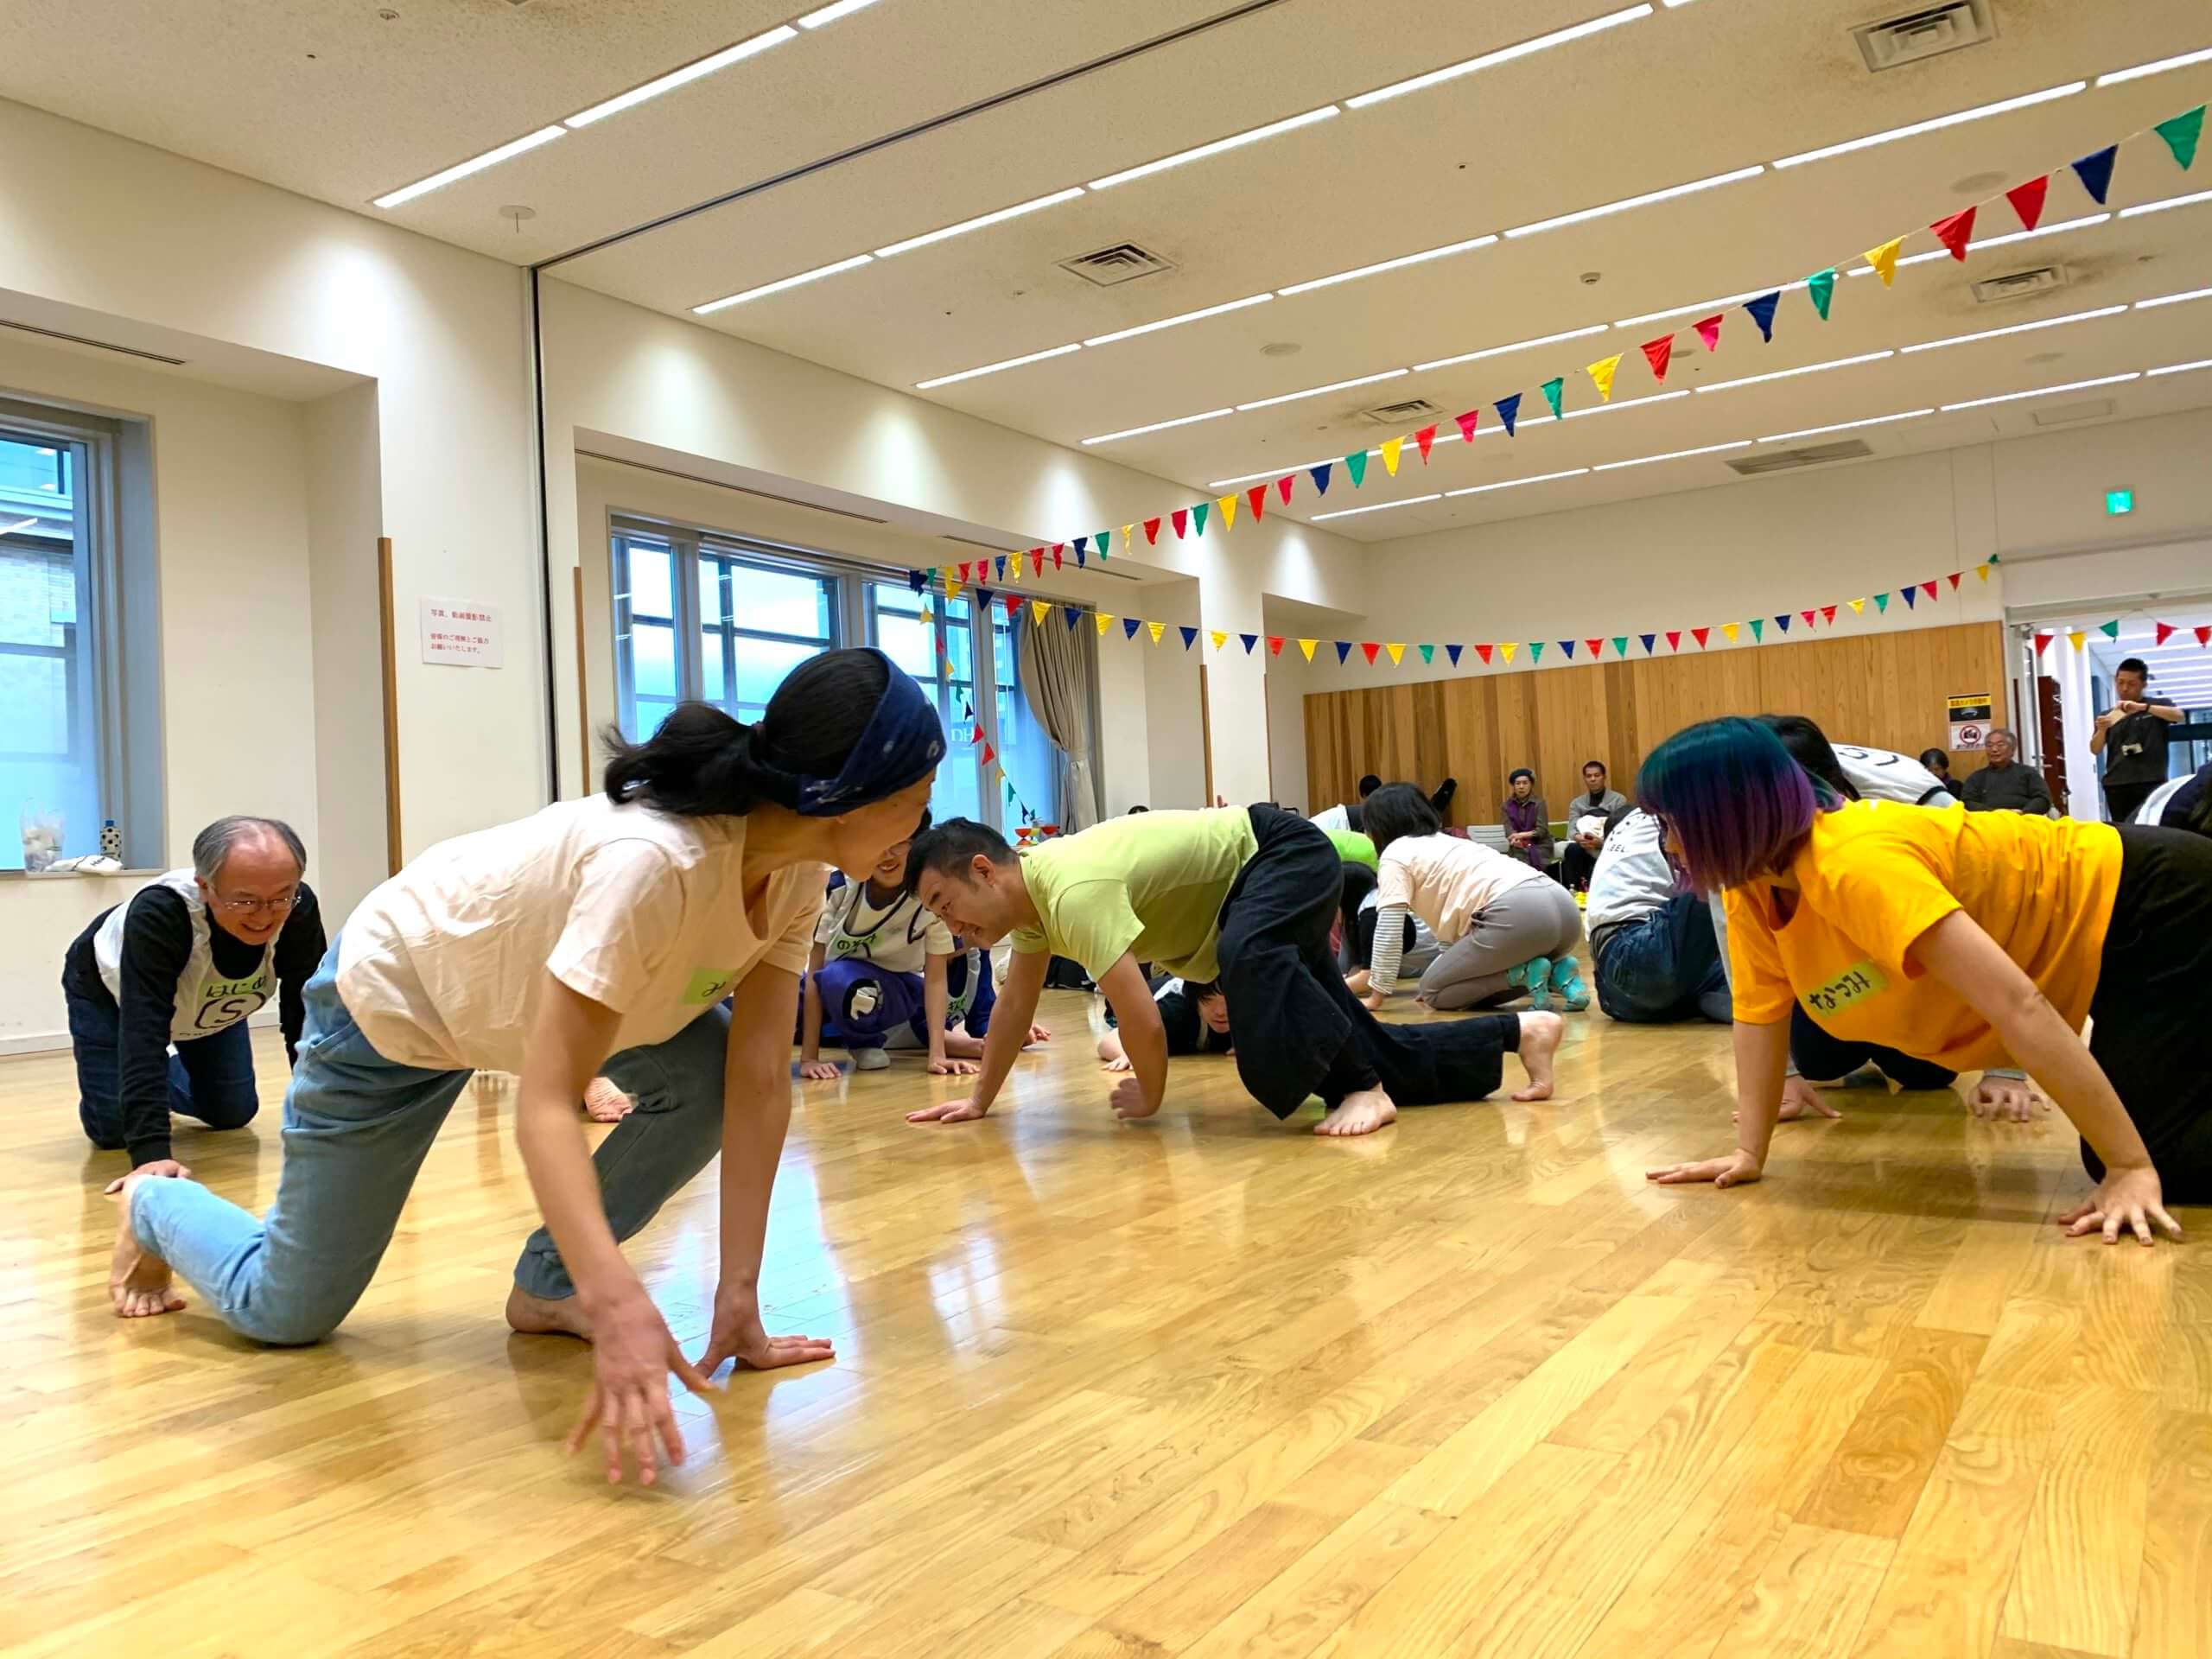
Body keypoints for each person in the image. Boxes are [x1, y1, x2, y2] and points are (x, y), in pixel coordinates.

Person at [107, 648, 942, 1485]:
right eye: (915, 798)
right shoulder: (656, 864)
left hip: (523, 1007)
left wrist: (738, 1297)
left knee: (710, 1073)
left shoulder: (797, 874)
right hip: (397, 1002)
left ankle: (549, 1287)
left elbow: (756, 1082)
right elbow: (545, 1104)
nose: (924, 821)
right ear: (848, 796)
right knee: (284, 1311)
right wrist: (616, 1298)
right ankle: (156, 1205)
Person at [1642, 715, 2212, 1244]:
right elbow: (1757, 1015)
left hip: (2160, 903)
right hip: (2109, 927)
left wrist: (2129, 1165)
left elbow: (2018, 1005)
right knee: (2141, 1141)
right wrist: (1749, 1153)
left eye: (1671, 823)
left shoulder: (1854, 862)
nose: (1668, 842)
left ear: (1725, 817)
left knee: (2157, 1161)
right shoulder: (1753, 883)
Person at [903, 807, 1562, 1138]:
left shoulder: (1070, 889)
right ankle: (1520, 1033)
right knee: (1369, 1046)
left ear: (984, 871)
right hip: (1258, 891)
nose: (950, 925)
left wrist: (1152, 1095)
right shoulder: (1034, 912)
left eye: (945, 903)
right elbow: (1015, 1007)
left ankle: (1363, 1089)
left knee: (1247, 966)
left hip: (1281, 852)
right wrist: (980, 1100)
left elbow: (1139, 1017)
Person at [1753, 715, 2037, 1122]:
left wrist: (2006, 1067)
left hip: (1916, 977)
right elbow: (1745, 960)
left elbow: (2001, 917)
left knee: (1927, 1075)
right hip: (1844, 979)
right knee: (1819, 1063)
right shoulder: (1735, 826)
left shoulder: (1921, 802)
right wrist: (1781, 1077)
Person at [64, 816, 326, 1173]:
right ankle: (132, 1078)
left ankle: (160, 1074)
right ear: (205, 887)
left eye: (280, 897)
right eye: (245, 901)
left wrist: (323, 1119)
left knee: (231, 1113)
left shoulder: (298, 907)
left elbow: (307, 1017)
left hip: (208, 1000)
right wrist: (152, 1154)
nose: (264, 916)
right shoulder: (161, 914)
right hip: (110, 993)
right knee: (116, 1130)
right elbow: (144, 1031)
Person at [1360, 784, 1587, 1013]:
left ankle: (1527, 972)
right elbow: (1449, 929)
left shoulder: (1394, 855)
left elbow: (1389, 928)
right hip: (1564, 911)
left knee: (1434, 993)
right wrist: (1445, 977)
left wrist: (1377, 994)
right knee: (1443, 986)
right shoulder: (1451, 841)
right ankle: (1558, 974)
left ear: (1379, 825)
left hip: (1519, 915)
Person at [796, 811, 983, 1080]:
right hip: (825, 989)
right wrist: (809, 1059)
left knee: (842, 980)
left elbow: (935, 979)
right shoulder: (839, 887)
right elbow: (815, 975)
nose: (886, 854)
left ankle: (865, 1042)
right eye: (875, 842)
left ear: (916, 844)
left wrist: (938, 1055)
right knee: (763, 1012)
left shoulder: (929, 895)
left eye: (898, 842)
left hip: (894, 992)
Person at [1586, 808, 1730, 1026]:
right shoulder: (1685, 808)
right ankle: (1740, 994)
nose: (1669, 843)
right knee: (1724, 872)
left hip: (1612, 993)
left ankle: (1722, 993)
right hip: (1641, 953)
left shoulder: (1638, 821)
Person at [2091, 657, 2183, 824]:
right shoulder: (2108, 715)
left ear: (2144, 684)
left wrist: (2143, 708)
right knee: (2124, 830)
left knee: (2152, 827)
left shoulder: (2157, 706)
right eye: (2120, 683)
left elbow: (2179, 716)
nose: (2124, 688)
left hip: (2151, 781)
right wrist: (2102, 730)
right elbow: (2095, 749)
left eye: (2131, 684)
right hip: (2117, 783)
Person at [1559, 760, 1630, 892]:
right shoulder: (1576, 803)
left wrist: (1600, 843)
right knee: (1572, 850)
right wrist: (1580, 838)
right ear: (1585, 779)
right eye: (1589, 776)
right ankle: (1576, 890)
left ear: (1604, 777)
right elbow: (1572, 830)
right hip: (1584, 844)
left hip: (1607, 844)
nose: (1593, 779)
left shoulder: (1618, 800)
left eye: (1597, 775)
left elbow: (1621, 830)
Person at [1959, 728, 2051, 816]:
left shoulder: (2028, 773)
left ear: (2012, 750)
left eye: (2000, 745)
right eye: (1989, 746)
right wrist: (1993, 813)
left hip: (2023, 819)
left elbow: (2043, 799)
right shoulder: (1976, 777)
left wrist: (2024, 812)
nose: (1994, 750)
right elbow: (1967, 801)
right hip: (1988, 820)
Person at [1503, 768, 1554, 873]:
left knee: (1528, 860)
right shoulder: (1506, 806)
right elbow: (1508, 830)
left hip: (1540, 844)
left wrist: (1521, 835)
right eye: (1518, 783)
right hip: (1517, 844)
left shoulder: (1539, 803)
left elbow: (1542, 831)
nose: (1521, 787)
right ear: (1513, 786)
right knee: (1516, 861)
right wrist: (1515, 839)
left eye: (1525, 783)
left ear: (1531, 784)